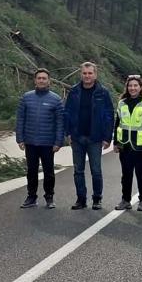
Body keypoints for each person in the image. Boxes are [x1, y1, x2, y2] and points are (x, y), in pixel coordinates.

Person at [64, 62, 114, 210]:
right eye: (84, 73)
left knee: (96, 171)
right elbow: (67, 112)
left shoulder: (103, 93)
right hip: (77, 137)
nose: (87, 76)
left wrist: (107, 137)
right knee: (78, 171)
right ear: (81, 74)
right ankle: (81, 199)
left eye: (90, 73)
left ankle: (97, 199)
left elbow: (109, 115)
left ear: (95, 74)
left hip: (95, 138)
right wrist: (68, 133)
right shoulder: (74, 91)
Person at [16, 68, 64, 209]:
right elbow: (20, 119)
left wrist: (58, 141)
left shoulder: (56, 99)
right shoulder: (26, 97)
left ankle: (49, 197)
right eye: (39, 78)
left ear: (49, 81)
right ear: (35, 80)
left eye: (44, 78)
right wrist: (20, 138)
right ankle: (31, 197)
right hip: (30, 141)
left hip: (48, 143)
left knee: (49, 172)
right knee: (31, 171)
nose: (41, 80)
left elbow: (60, 122)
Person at [112, 75, 142, 211]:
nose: (132, 88)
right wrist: (116, 142)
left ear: (141, 87)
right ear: (127, 87)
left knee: (141, 175)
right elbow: (118, 123)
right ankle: (125, 200)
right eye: (130, 86)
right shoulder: (122, 103)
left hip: (141, 147)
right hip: (125, 145)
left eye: (135, 85)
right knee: (126, 175)